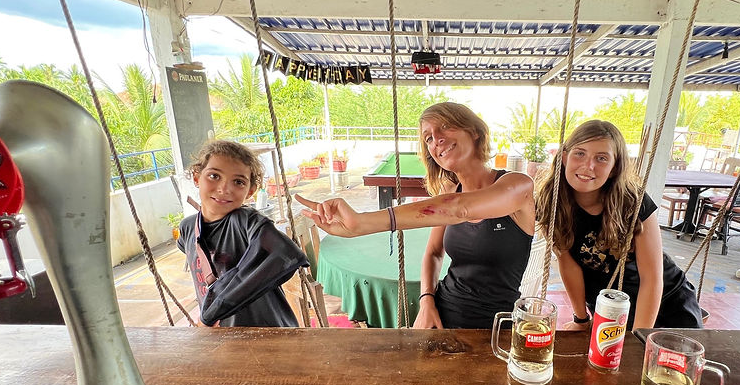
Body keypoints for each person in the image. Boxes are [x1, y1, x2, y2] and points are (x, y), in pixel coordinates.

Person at [298, 102, 535, 328]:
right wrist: (426, 301)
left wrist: (361, 222)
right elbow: (433, 253)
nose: (437, 139)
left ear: (473, 131)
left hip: (497, 324)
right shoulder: (449, 190)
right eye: (428, 137)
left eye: (445, 126)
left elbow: (459, 208)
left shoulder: (518, 186)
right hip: (442, 311)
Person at [535, 119, 702, 331]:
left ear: (614, 168)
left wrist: (639, 336)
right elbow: (568, 263)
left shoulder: (633, 202)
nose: (589, 166)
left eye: (601, 158)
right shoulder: (551, 202)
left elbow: (652, 278)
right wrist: (581, 319)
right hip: (608, 306)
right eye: (580, 153)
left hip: (666, 302)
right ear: (565, 157)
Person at [177, 139, 308, 327]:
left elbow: (282, 253)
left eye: (238, 182)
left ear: (250, 191)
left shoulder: (247, 222)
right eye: (214, 176)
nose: (224, 189)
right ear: (197, 178)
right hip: (222, 337)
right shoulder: (188, 228)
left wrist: (211, 314)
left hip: (267, 331)